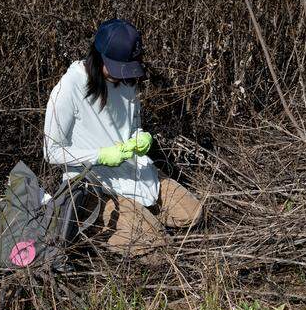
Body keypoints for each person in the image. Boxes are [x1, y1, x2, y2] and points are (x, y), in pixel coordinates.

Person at [44, 18, 201, 253]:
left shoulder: (127, 81)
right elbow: (52, 151)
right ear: (98, 57)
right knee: (154, 247)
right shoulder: (70, 87)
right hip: (93, 183)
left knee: (193, 214)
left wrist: (141, 137)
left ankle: (141, 212)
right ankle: (99, 221)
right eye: (116, 68)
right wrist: (101, 155)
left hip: (132, 170)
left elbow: (132, 123)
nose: (121, 76)